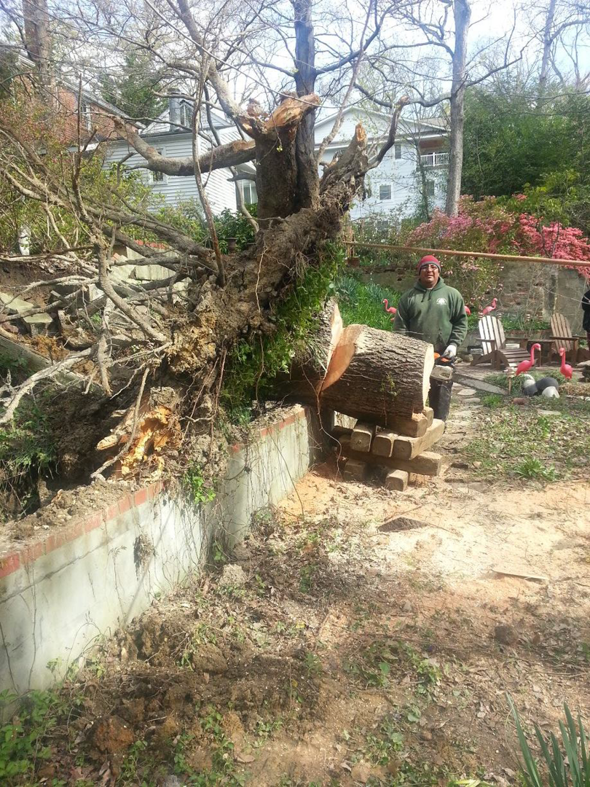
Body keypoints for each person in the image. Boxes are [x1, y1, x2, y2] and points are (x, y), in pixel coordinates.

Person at [393, 255, 468, 421]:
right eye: (425, 267)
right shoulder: (408, 298)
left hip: (443, 354)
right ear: (419, 272)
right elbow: (400, 327)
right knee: (413, 394)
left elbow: (461, 322)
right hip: (415, 356)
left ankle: (439, 426)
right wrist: (404, 351)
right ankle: (412, 426)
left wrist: (454, 344)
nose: (429, 270)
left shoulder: (452, 295)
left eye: (433, 267)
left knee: (440, 393)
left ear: (438, 271)